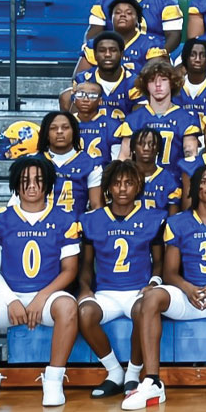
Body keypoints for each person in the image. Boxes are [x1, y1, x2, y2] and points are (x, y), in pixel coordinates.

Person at [122, 165, 206, 410]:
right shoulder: (178, 222)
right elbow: (169, 273)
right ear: (195, 188)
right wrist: (187, 288)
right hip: (189, 295)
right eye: (204, 181)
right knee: (151, 298)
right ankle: (152, 382)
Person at [0, 156, 81, 408]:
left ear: (49, 183)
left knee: (68, 307)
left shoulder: (65, 218)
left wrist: (41, 297)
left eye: (38, 179)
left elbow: (70, 270)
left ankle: (54, 380)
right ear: (16, 183)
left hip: (47, 298)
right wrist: (11, 300)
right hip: (9, 296)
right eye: (25, 180)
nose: (32, 185)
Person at [77, 160, 167, 398]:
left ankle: (133, 374)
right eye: (117, 183)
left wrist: (154, 283)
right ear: (108, 187)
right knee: (85, 313)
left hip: (138, 290)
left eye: (129, 183)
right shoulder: (92, 219)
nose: (123, 188)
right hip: (106, 292)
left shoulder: (153, 217)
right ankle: (114, 372)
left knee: (143, 311)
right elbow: (86, 264)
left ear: (138, 186)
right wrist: (85, 288)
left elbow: (159, 261)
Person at [117, 57, 202, 167]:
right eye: (152, 80)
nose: (158, 84)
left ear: (172, 83)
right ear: (146, 85)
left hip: (175, 177)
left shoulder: (186, 119)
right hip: (141, 176)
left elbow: (191, 157)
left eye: (164, 79)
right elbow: (124, 158)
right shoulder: (134, 119)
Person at [75, 0, 166, 74]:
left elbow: (157, 76)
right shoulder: (95, 44)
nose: (123, 15)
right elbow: (79, 78)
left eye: (129, 13)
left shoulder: (152, 44)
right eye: (117, 12)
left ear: (138, 20)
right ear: (111, 18)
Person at [38, 111, 104, 216]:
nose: (59, 132)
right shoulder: (31, 162)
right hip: (39, 224)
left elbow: (96, 206)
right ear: (46, 134)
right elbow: (16, 203)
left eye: (65, 128)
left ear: (74, 131)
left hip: (75, 224)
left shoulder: (91, 164)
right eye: (53, 128)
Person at [66, 32, 141, 121]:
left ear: (121, 54)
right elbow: (75, 120)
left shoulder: (134, 82)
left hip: (124, 129)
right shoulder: (83, 79)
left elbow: (138, 122)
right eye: (102, 50)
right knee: (65, 96)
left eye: (113, 50)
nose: (107, 54)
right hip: (90, 129)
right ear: (95, 55)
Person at [129, 127, 182, 214]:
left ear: (158, 149)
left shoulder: (169, 180)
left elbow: (173, 219)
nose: (146, 148)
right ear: (133, 148)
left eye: (152, 144)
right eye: (141, 144)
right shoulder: (124, 176)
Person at [70, 81, 121, 161]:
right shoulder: (66, 123)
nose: (85, 99)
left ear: (100, 101)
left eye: (92, 96)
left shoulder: (113, 126)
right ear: (74, 99)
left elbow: (117, 160)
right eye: (80, 95)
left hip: (104, 168)